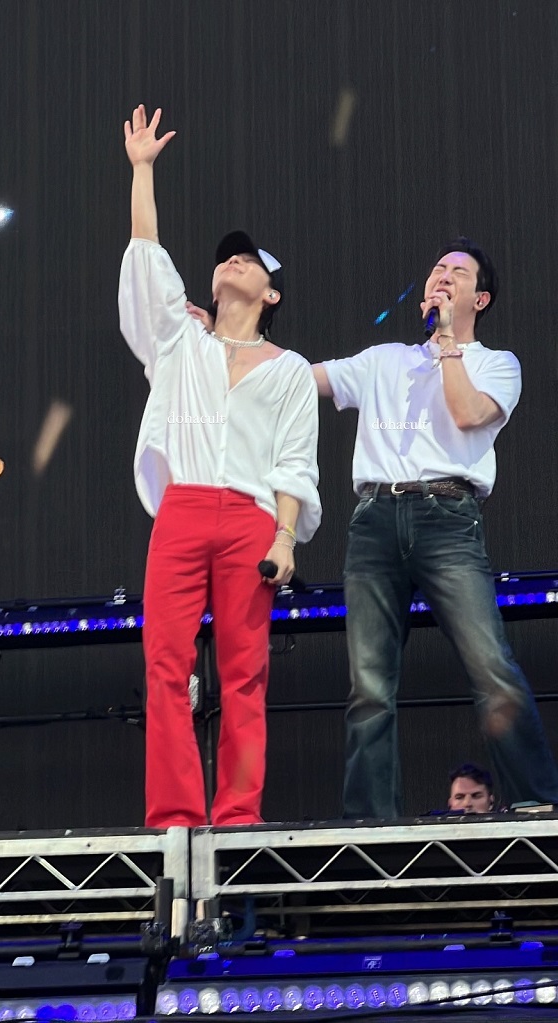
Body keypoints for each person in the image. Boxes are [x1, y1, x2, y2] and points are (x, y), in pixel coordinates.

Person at [118, 105, 321, 828]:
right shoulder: (181, 345)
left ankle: (237, 814)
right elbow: (146, 259)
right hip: (183, 508)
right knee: (165, 663)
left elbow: (295, 462)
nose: (233, 260)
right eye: (226, 257)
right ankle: (175, 815)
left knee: (245, 670)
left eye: (250, 260)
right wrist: (142, 171)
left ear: (272, 293)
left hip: (250, 521)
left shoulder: (290, 369)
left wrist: (285, 538)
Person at [313, 238, 558, 819]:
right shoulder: (384, 359)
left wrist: (447, 342)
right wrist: (227, 343)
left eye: (458, 272)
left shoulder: (497, 364)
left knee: (490, 665)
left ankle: (535, 800)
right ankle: (370, 819)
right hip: (375, 518)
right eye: (437, 269)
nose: (442, 276)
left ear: (481, 298)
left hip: (448, 516)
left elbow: (468, 414)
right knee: (369, 685)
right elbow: (299, 380)